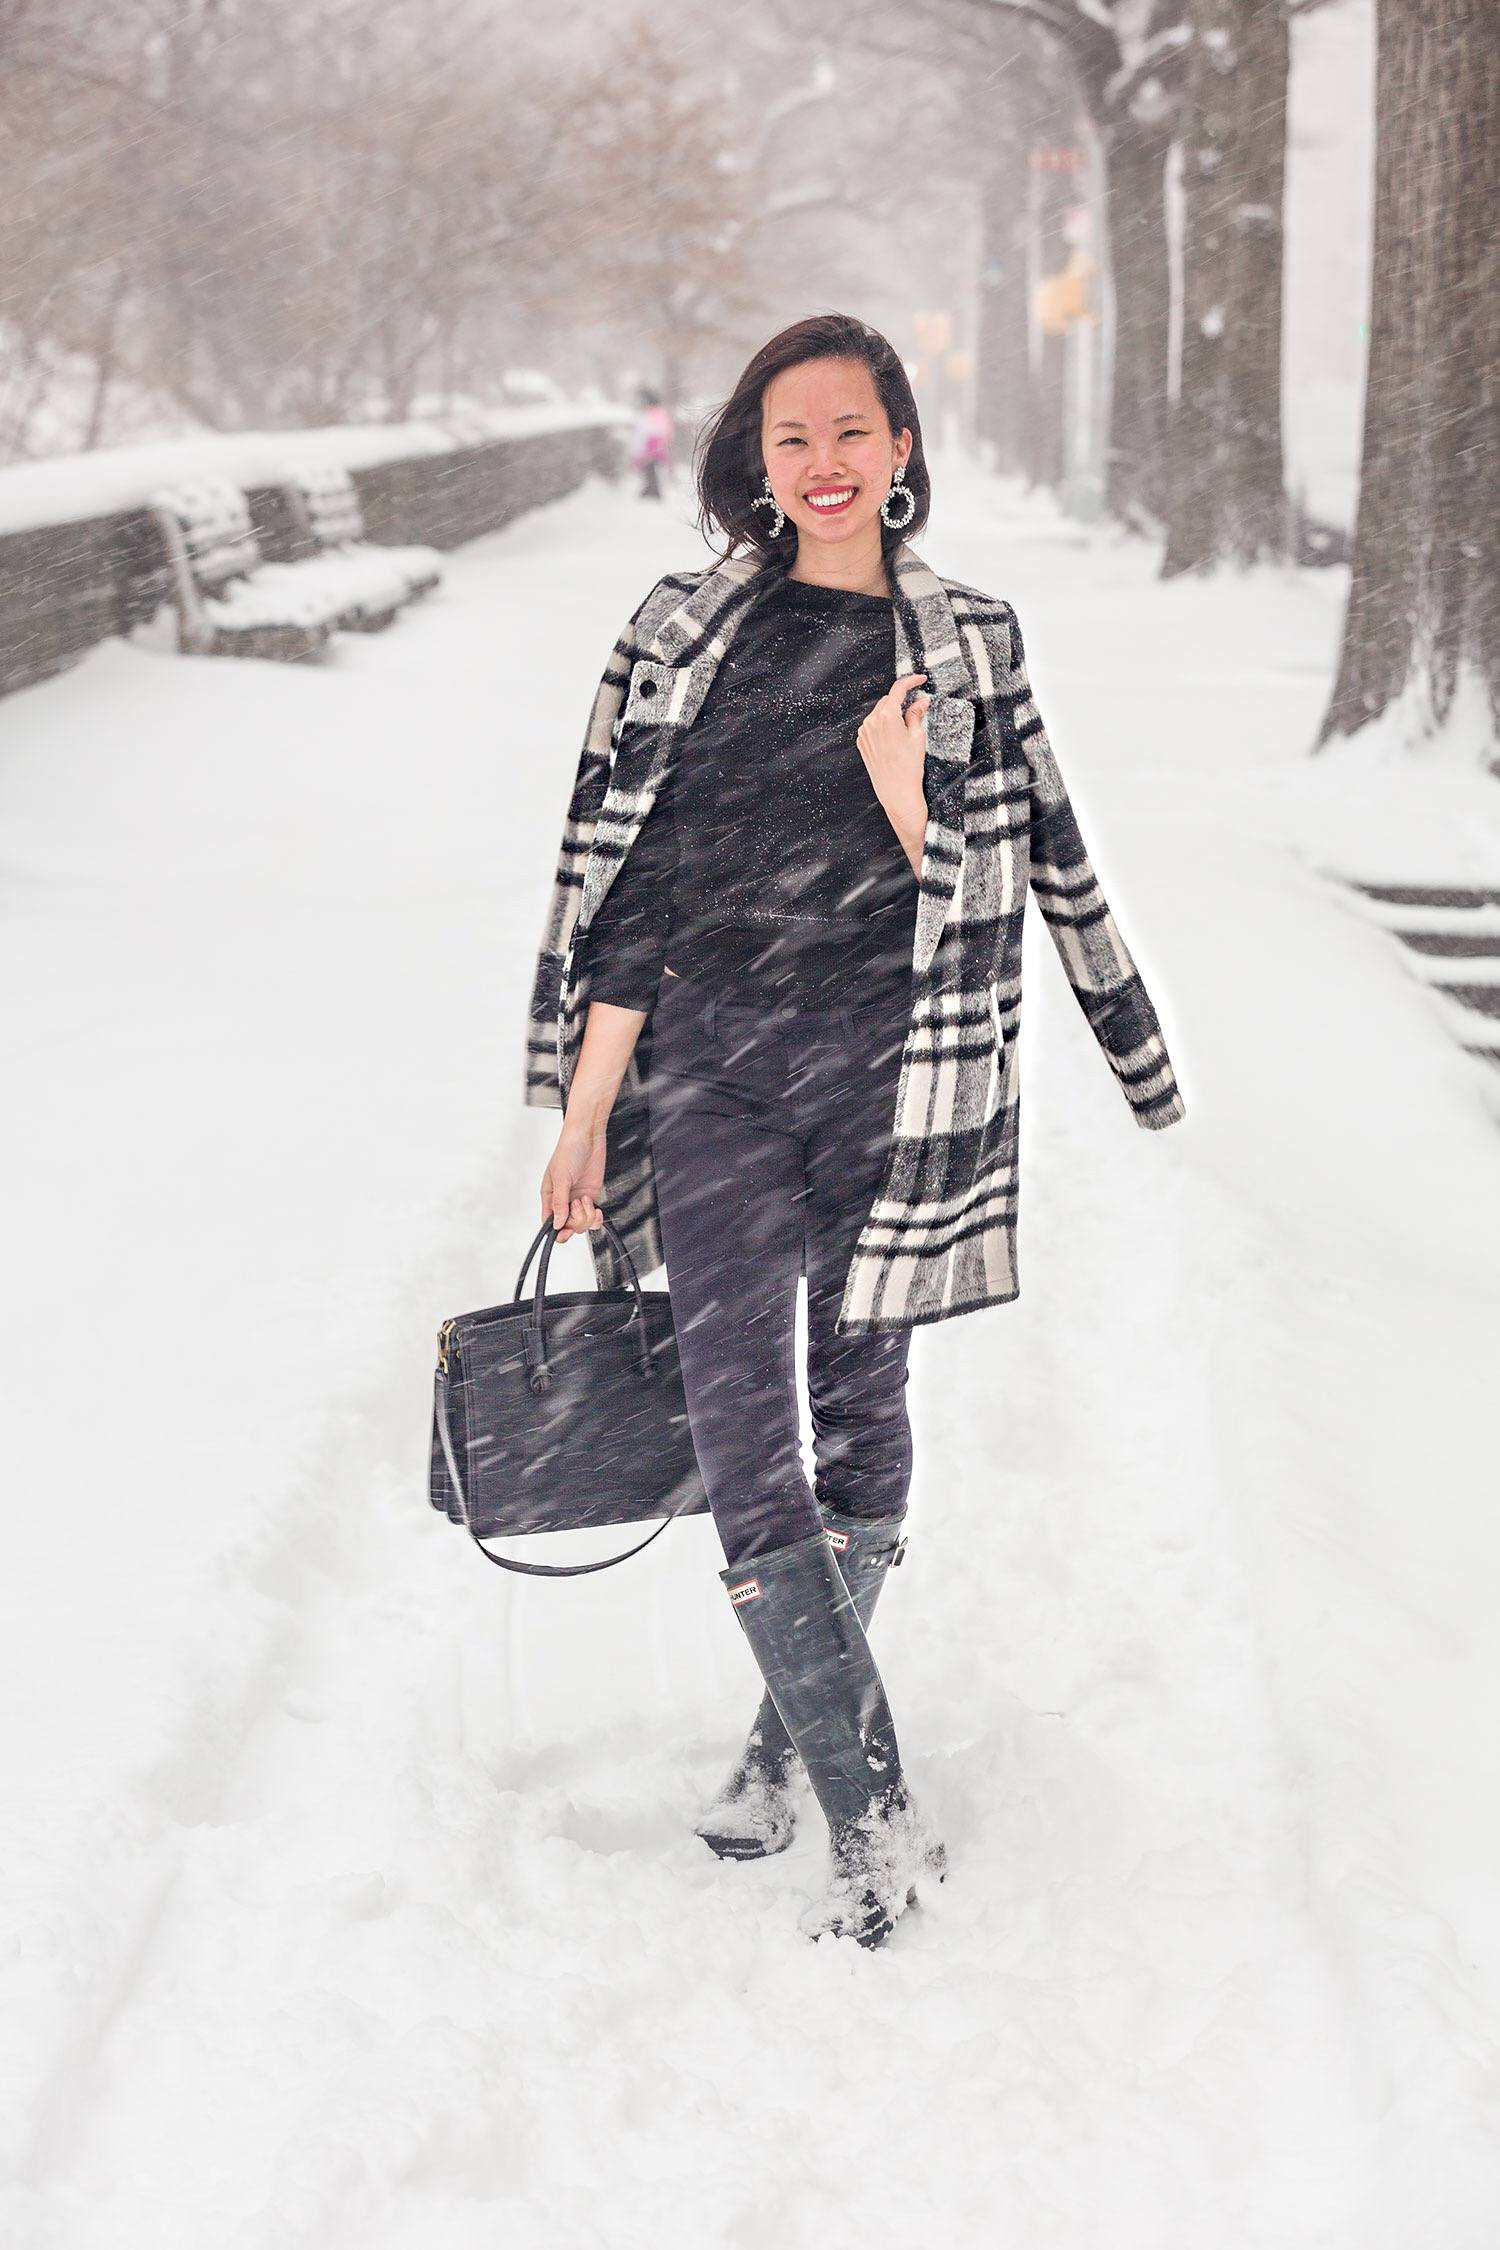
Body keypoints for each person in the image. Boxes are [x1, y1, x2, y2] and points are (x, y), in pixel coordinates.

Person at [531, 312, 1186, 1952]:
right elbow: (633, 885)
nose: (821, 465)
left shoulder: (969, 638)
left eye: (852, 432)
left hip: (895, 1077)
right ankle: (875, 1825)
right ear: (753, 460)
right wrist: (585, 1105)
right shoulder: (684, 633)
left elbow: (1033, 861)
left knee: (862, 1408)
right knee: (749, 1442)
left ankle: (778, 1746)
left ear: (902, 447)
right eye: (790, 438)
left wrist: (1131, 1044)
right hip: (713, 1074)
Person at [629, 386, 674, 499]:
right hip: (657, 446)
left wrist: (640, 449)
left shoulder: (650, 415)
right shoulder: (660, 413)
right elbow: (667, 430)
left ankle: (652, 490)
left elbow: (644, 432)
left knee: (650, 468)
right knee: (651, 468)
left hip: (651, 447)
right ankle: (651, 489)